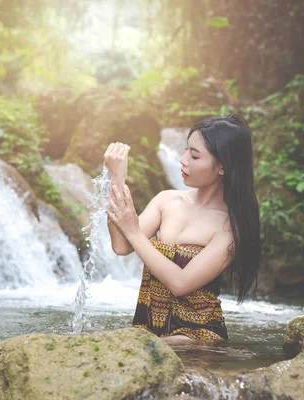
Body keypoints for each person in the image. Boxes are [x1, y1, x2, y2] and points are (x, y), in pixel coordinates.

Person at [105, 114, 260, 344]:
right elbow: (121, 245)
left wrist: (135, 231)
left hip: (196, 338)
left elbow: (179, 283)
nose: (183, 160)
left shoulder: (229, 230)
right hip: (148, 330)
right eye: (186, 150)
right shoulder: (167, 201)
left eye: (195, 156)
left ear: (222, 167)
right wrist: (117, 179)